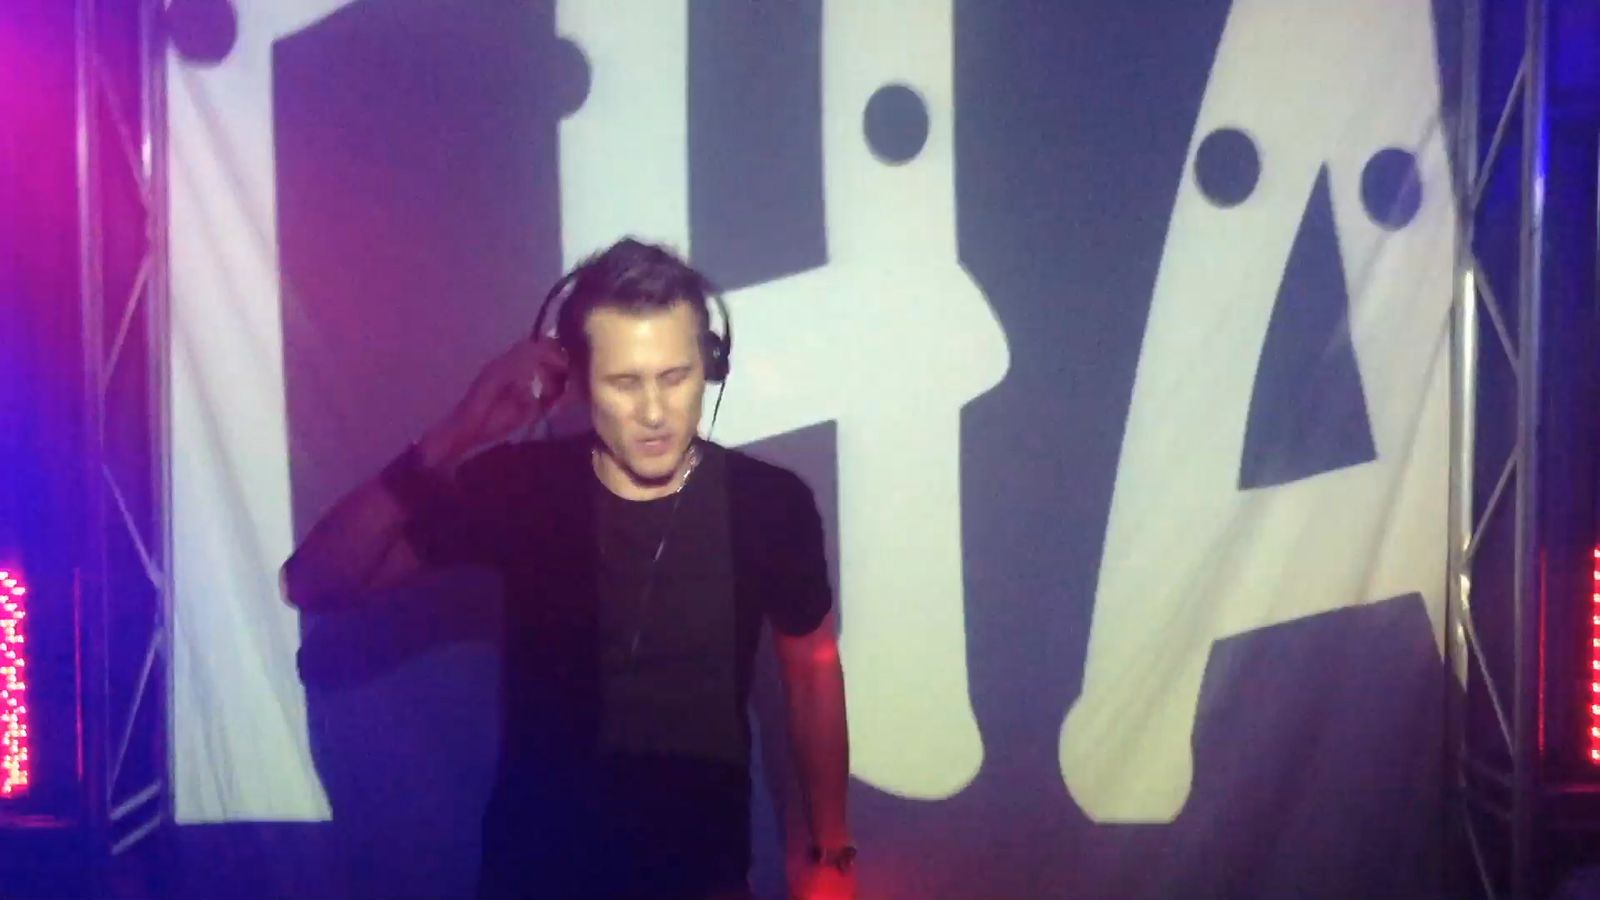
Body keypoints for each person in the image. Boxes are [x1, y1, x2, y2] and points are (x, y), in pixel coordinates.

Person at [280, 238, 856, 900]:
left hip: (702, 881)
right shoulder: (522, 488)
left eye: (675, 377)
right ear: (577, 380)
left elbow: (813, 673)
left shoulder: (769, 505)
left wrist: (830, 855)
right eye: (624, 382)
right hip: (536, 877)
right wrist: (458, 431)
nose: (653, 412)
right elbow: (316, 581)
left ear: (710, 366)